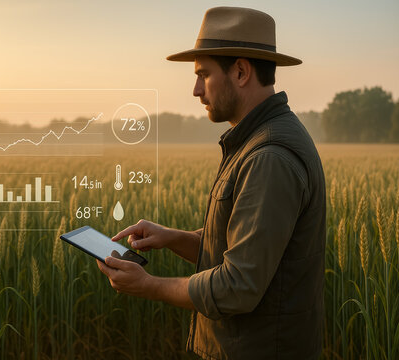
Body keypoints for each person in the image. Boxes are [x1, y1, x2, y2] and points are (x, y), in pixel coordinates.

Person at [96, 6, 326, 360]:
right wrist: (173, 237)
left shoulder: (269, 156)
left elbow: (238, 286)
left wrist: (149, 286)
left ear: (240, 71)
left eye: (203, 74)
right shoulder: (255, 141)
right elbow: (245, 246)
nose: (195, 89)